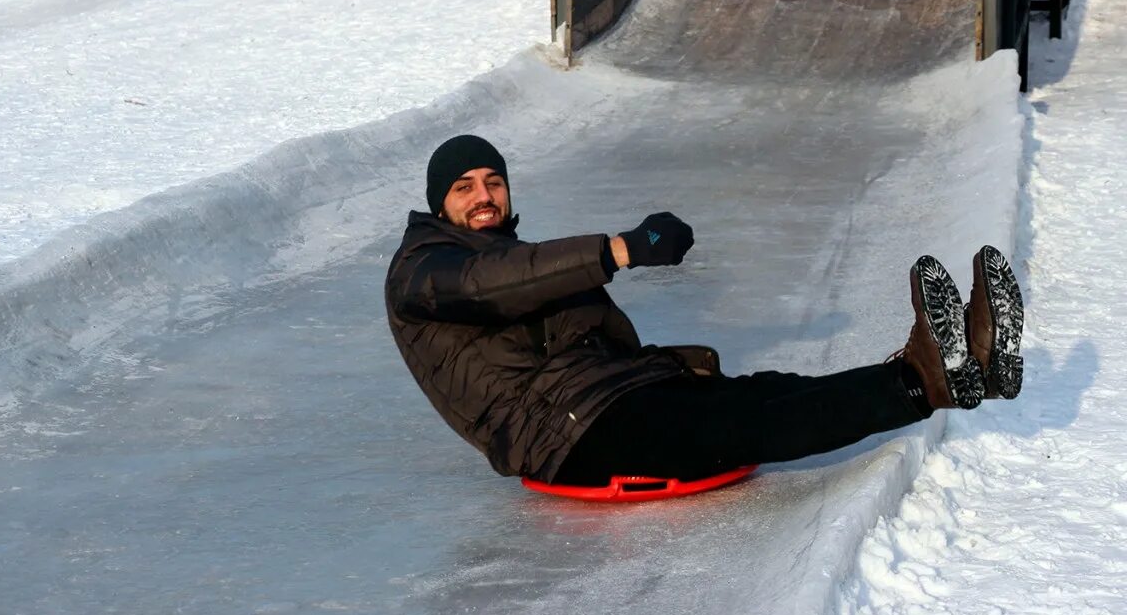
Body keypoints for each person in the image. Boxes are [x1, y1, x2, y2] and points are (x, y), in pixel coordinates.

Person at [384, 134, 1024, 486]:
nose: (484, 196)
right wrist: (619, 250)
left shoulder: (508, 255)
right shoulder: (421, 270)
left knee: (770, 394)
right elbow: (487, 284)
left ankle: (964, 367)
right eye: (464, 188)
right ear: (440, 205)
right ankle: (928, 379)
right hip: (561, 435)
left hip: (609, 398)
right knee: (748, 426)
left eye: (492, 181)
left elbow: (550, 308)